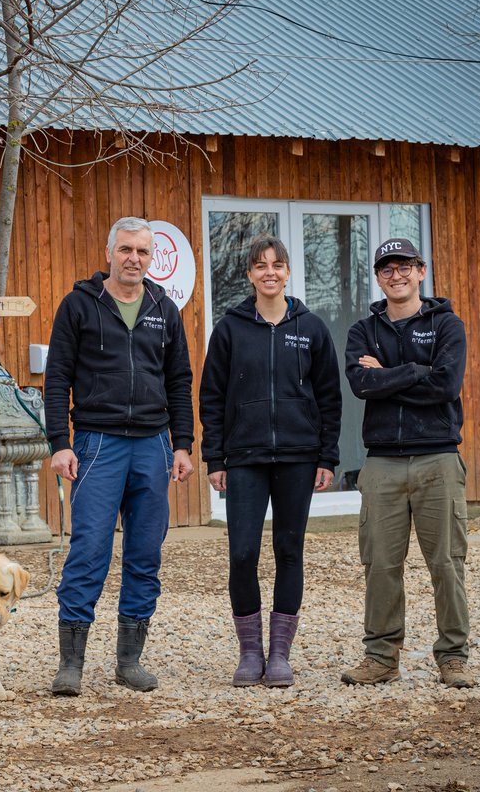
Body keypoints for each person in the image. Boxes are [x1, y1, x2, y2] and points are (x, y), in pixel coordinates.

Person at [44, 216, 195, 696]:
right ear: (110, 251)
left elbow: (179, 381)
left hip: (153, 445)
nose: (134, 259)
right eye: (126, 249)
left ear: (152, 259)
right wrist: (59, 443)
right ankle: (71, 664)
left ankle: (129, 661)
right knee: (89, 551)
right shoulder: (79, 306)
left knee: (145, 553)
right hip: (96, 444)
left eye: (143, 252)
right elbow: (56, 378)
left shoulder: (163, 309)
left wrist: (183, 444)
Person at [199, 235, 342, 688]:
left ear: (287, 271)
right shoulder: (230, 328)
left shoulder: (312, 328)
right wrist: (214, 458)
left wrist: (327, 456)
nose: (269, 272)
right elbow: (212, 397)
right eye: (260, 266)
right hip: (244, 458)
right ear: (249, 275)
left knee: (288, 550)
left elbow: (330, 398)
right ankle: (249, 652)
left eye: (277, 264)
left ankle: (280, 654)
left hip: (299, 457)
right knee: (242, 553)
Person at [341, 237, 474, 688]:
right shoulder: (363, 331)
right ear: (378, 277)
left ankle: (453, 657)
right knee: (380, 563)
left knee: (447, 562)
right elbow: (361, 384)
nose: (395, 276)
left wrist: (389, 375)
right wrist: (417, 371)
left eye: (404, 267)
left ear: (420, 270)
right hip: (382, 464)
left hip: (438, 456)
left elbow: (445, 386)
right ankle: (381, 657)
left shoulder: (447, 325)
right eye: (386, 269)